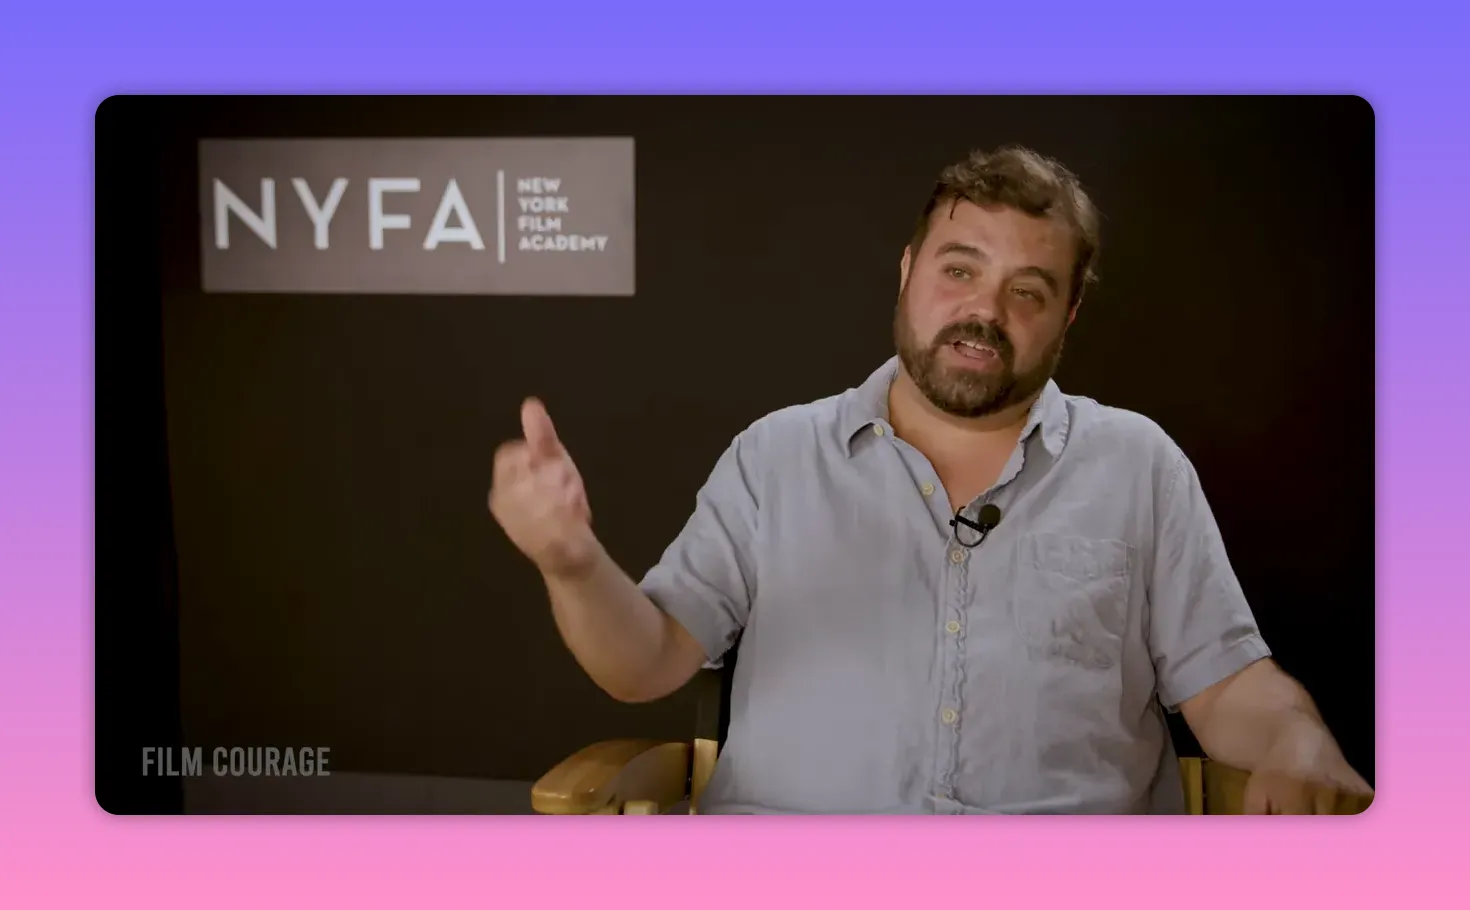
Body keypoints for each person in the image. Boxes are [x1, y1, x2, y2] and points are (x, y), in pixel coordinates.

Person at [488, 146, 1371, 814]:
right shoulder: (776, 456)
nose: (985, 311)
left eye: (1028, 290)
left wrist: (1296, 736)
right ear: (909, 273)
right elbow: (646, 661)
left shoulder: (1141, 466)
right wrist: (570, 562)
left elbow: (1227, 688)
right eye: (959, 271)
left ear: (1068, 314)